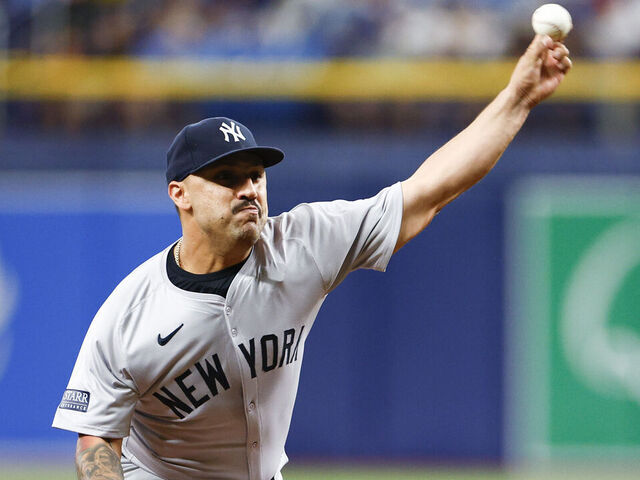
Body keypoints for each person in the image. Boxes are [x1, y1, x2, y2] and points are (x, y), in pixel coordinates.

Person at [52, 35, 571, 480]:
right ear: (179, 194)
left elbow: (428, 191)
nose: (248, 190)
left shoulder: (302, 242)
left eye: (255, 175)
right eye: (226, 178)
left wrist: (518, 97)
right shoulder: (129, 313)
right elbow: (95, 439)